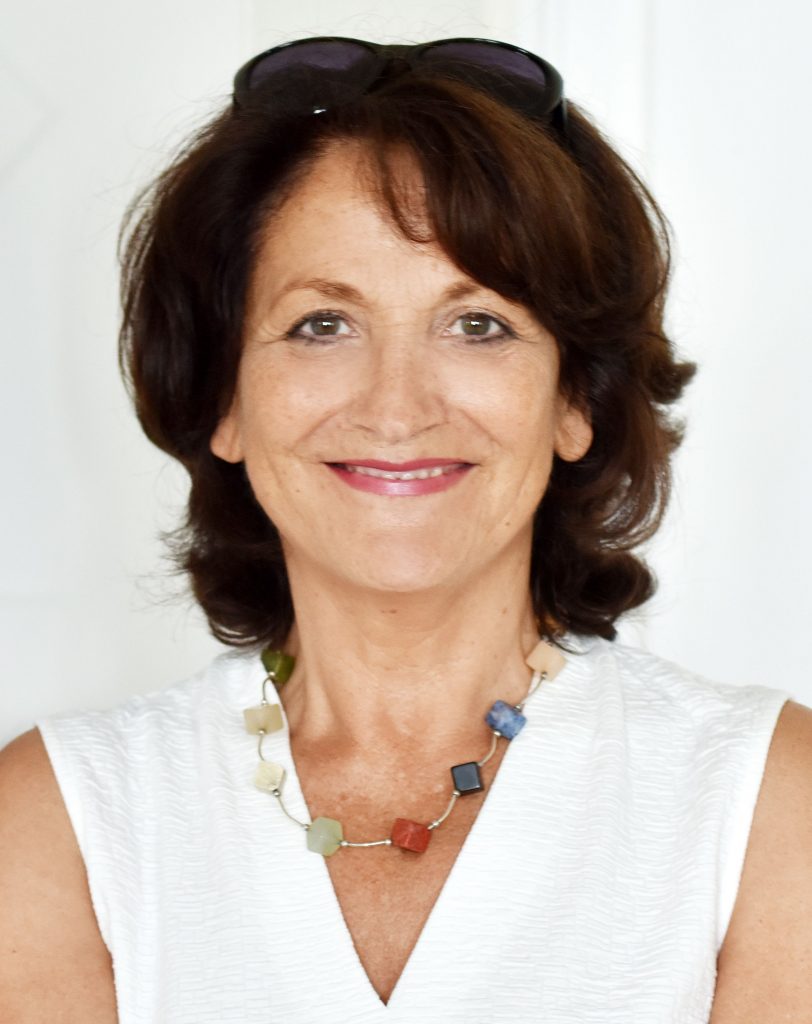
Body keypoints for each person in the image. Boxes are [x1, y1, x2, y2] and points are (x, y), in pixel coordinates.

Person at [1, 36, 810, 1024]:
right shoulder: (56, 825)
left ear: (574, 401)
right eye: (322, 324)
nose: (396, 406)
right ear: (224, 400)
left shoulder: (766, 804)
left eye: (477, 324)